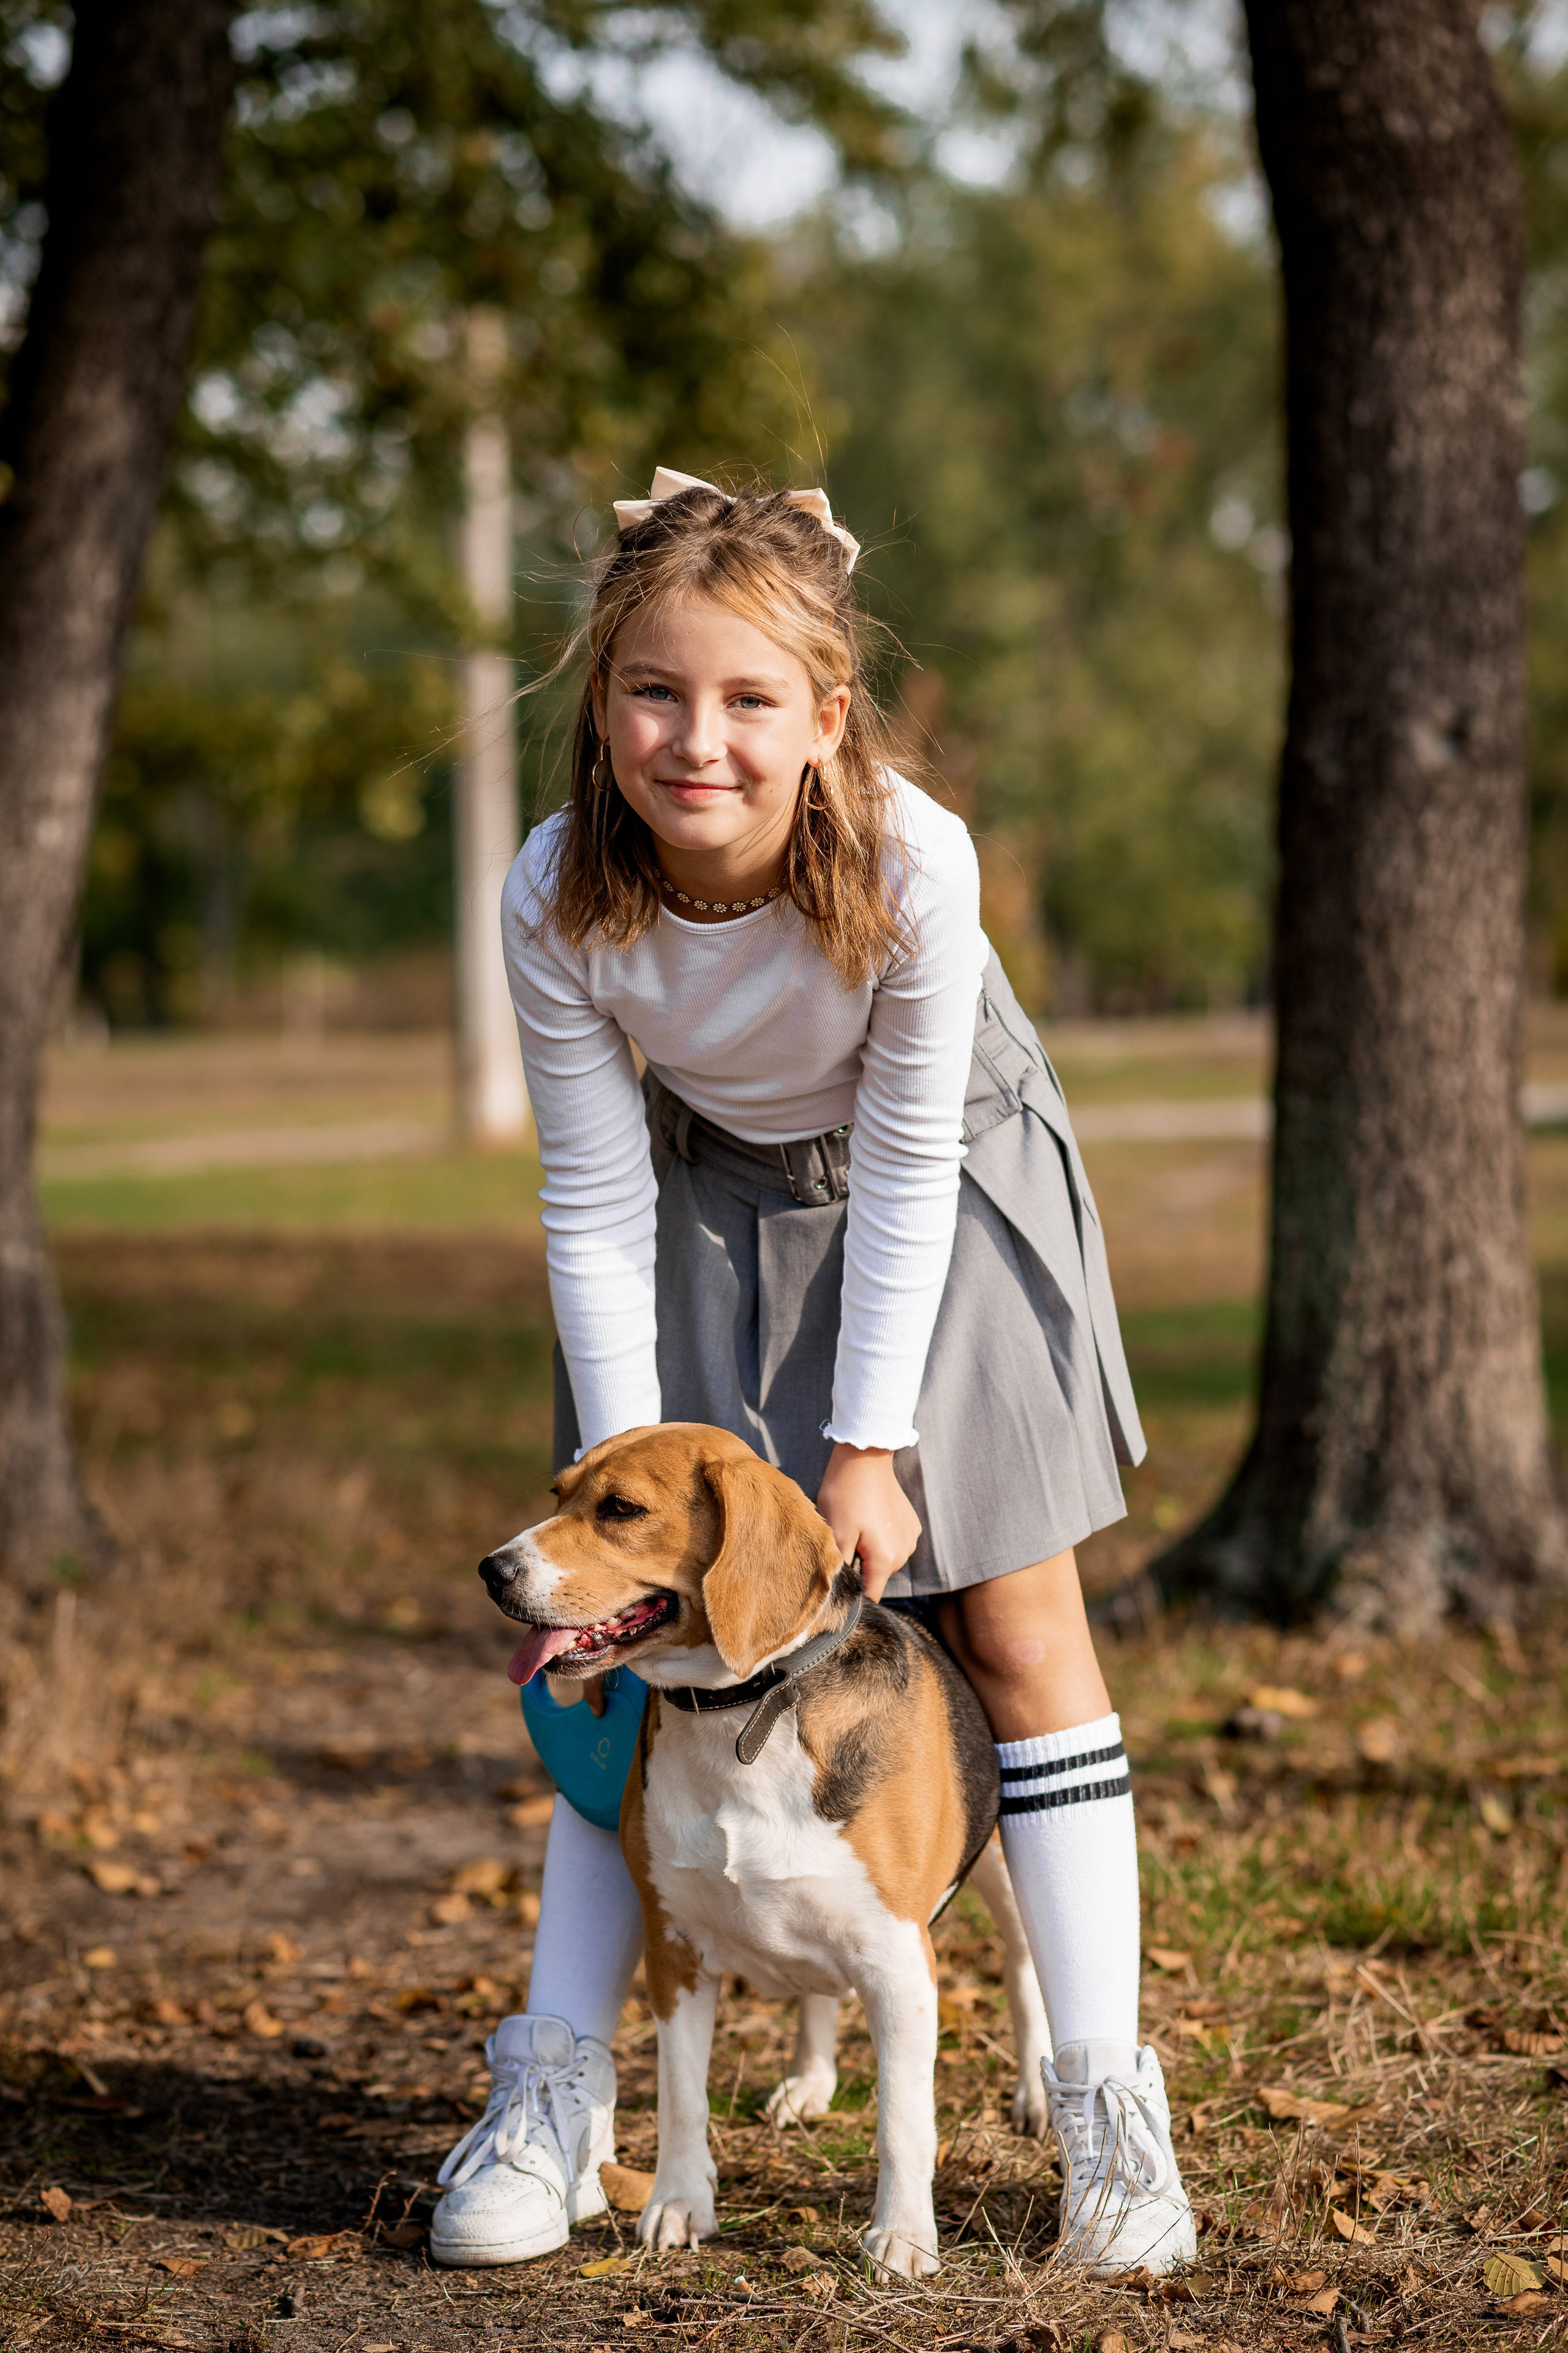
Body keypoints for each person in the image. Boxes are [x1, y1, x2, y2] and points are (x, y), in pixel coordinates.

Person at [428, 467, 1194, 2278]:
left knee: (1010, 1624)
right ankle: (557, 2090)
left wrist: (869, 1445)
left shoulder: (911, 857)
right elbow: (594, 1184)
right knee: (623, 1648)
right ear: (602, 696)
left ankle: (1105, 2103)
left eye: (752, 698)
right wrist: (631, 1494)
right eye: (657, 692)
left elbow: (908, 1157)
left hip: (941, 1172)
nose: (700, 739)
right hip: (700, 1185)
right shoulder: (557, 888)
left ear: (826, 716)